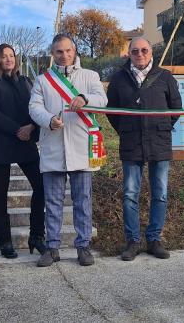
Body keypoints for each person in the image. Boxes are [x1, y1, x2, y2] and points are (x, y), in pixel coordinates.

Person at [29, 34, 107, 267]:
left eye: (68, 51)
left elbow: (102, 99)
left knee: (83, 201)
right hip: (53, 146)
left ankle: (83, 246)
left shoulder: (90, 76)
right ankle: (52, 247)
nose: (64, 55)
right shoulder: (43, 80)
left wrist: (84, 98)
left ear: (75, 51)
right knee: (52, 203)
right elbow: (34, 107)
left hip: (81, 147)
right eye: (59, 52)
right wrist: (49, 120)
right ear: (53, 54)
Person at [106, 37, 182, 261]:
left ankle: (154, 239)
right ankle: (132, 241)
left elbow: (176, 108)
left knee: (160, 193)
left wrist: (162, 128)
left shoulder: (165, 77)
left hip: (159, 142)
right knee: (130, 194)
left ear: (151, 53)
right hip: (131, 143)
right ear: (128, 53)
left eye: (144, 50)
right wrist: (126, 130)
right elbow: (112, 111)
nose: (140, 54)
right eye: (135, 51)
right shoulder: (119, 79)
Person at [0, 44, 46, 258]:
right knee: (0, 193)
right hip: (1, 142)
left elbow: (36, 108)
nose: (8, 59)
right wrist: (16, 129)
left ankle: (36, 235)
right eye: (4, 56)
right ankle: (5, 241)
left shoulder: (26, 81)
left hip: (24, 142)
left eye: (11, 55)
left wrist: (31, 127)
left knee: (42, 186)